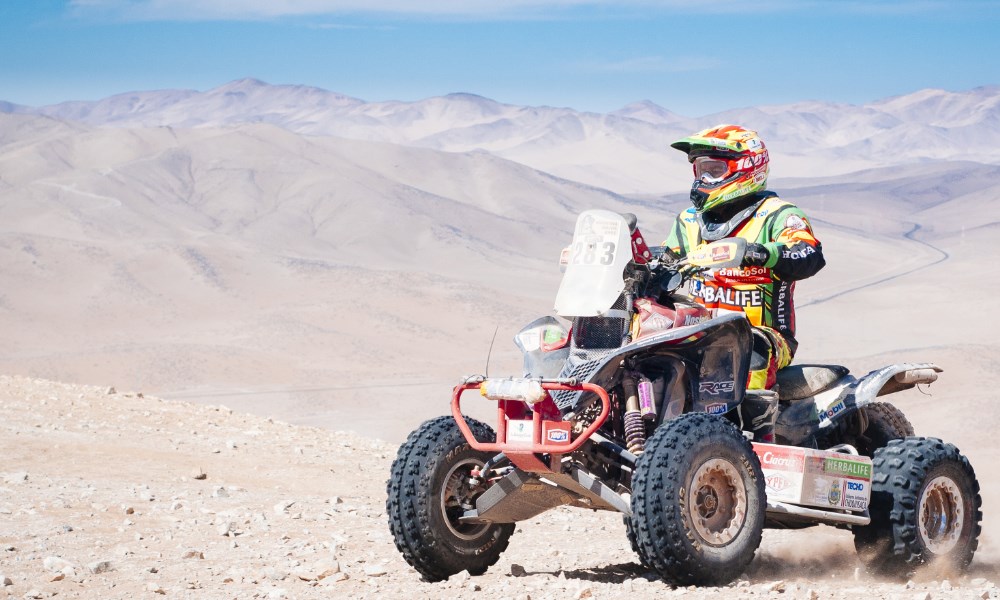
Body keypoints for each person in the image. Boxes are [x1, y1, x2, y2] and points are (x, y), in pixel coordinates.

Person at [663, 124, 825, 390]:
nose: (705, 180)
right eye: (702, 171)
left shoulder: (778, 215)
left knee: (748, 347)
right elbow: (667, 261)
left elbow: (809, 255)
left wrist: (760, 253)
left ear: (747, 168)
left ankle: (758, 432)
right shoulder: (688, 220)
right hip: (698, 330)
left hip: (765, 335)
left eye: (715, 171)